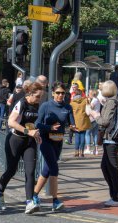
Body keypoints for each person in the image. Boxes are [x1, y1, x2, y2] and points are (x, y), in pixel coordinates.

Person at [0, 82, 43, 214]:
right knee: (11, 170)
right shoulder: (22, 103)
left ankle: (29, 202)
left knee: (30, 171)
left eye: (40, 97)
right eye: (37, 96)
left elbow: (33, 123)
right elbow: (11, 122)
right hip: (15, 140)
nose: (39, 99)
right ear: (30, 94)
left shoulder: (37, 105)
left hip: (29, 142)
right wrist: (28, 132)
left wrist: (36, 133)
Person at [33, 83, 75, 211]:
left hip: (58, 141)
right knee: (54, 168)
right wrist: (49, 128)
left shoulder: (68, 107)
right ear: (52, 93)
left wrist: (73, 128)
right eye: (58, 93)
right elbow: (37, 124)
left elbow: (71, 123)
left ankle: (33, 195)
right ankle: (55, 201)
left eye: (62, 93)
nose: (60, 95)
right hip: (46, 140)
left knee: (46, 170)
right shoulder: (46, 106)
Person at [89, 80, 118, 207]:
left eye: (102, 88)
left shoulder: (110, 102)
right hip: (114, 138)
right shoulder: (117, 101)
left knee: (112, 168)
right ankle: (114, 196)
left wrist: (94, 115)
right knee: (106, 167)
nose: (100, 90)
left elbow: (104, 121)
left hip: (111, 139)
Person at [71, 89, 91, 157]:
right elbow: (89, 107)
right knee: (83, 136)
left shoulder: (72, 103)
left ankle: (76, 152)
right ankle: (81, 152)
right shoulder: (85, 100)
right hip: (84, 121)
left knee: (77, 137)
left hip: (75, 122)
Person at [84, 89, 100, 155]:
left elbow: (91, 107)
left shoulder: (94, 100)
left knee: (87, 133)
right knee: (95, 134)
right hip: (97, 118)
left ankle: (88, 149)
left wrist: (88, 103)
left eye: (90, 93)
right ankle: (96, 150)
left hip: (92, 118)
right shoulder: (98, 100)